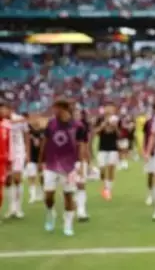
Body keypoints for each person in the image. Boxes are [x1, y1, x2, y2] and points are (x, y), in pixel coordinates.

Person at [39, 98, 87, 236]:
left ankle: (68, 224)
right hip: (51, 164)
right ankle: (50, 213)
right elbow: (45, 142)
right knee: (48, 196)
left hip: (69, 167)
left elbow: (81, 145)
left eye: (56, 108)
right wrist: (40, 161)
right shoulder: (51, 123)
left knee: (68, 196)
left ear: (63, 109)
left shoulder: (78, 126)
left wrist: (81, 164)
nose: (54, 111)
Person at [4, 106, 29, 219]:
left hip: (19, 152)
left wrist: (27, 152)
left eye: (5, 109)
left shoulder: (19, 119)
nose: (3, 111)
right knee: (8, 181)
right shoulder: (2, 121)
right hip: (6, 153)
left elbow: (26, 135)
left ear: (10, 109)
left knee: (17, 179)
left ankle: (18, 208)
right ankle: (11, 208)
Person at [94, 103, 120, 201]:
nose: (109, 109)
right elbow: (95, 132)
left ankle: (108, 190)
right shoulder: (100, 119)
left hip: (113, 148)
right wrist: (103, 125)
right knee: (102, 170)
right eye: (107, 108)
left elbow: (120, 135)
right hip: (102, 147)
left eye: (111, 108)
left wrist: (115, 127)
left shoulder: (117, 120)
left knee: (111, 168)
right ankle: (105, 186)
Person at [73, 107, 90, 221]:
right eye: (75, 114)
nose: (77, 116)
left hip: (79, 160)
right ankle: (73, 208)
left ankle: (81, 211)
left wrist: (86, 161)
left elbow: (84, 145)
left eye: (78, 114)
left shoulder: (82, 128)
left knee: (81, 184)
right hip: (67, 161)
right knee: (71, 186)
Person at [26, 115, 46, 204]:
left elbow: (43, 146)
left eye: (37, 118)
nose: (35, 120)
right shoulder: (28, 130)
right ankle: (32, 196)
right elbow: (27, 143)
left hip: (42, 158)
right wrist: (27, 156)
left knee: (42, 176)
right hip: (32, 157)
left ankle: (42, 192)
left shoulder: (43, 131)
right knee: (31, 176)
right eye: (33, 118)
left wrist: (40, 160)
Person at [143, 103, 155, 206]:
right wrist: (145, 151)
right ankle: (150, 194)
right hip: (151, 152)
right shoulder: (149, 122)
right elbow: (146, 137)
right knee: (150, 174)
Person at [0, 103, 11, 220]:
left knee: (0, 190)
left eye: (4, 109)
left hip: (2, 162)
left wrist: (9, 160)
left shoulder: (7, 126)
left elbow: (8, 144)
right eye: (1, 110)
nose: (3, 112)